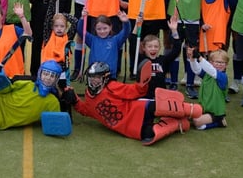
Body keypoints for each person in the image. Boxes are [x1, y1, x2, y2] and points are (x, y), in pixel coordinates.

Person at [64, 62, 202, 145]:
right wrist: (74, 99)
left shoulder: (112, 86)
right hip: (131, 128)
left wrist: (142, 83)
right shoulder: (89, 98)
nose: (93, 81)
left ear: (105, 79)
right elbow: (85, 110)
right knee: (150, 134)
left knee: (157, 106)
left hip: (138, 110)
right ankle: (179, 124)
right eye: (91, 78)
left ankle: (190, 110)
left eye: (97, 78)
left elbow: (134, 91)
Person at [165, 0, 217, 98]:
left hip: (192, 22)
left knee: (191, 53)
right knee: (174, 51)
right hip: (176, 22)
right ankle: (173, 82)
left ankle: (189, 84)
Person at [78, 11, 131, 80]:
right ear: (95, 29)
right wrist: (82, 18)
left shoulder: (115, 40)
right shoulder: (92, 40)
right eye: (99, 29)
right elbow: (80, 31)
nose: (102, 31)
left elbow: (125, 32)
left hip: (110, 76)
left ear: (110, 27)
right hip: (94, 76)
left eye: (105, 28)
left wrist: (126, 22)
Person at [136, 16, 182, 94]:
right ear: (144, 48)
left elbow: (176, 50)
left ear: (160, 47)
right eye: (150, 46)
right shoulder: (140, 59)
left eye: (156, 46)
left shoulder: (163, 60)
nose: (153, 49)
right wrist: (137, 25)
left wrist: (174, 31)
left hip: (160, 96)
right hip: (144, 96)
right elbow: (134, 42)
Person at [186, 47, 229, 130]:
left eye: (222, 63)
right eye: (217, 62)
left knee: (196, 122)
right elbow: (196, 70)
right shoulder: (207, 74)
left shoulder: (222, 77)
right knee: (188, 115)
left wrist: (199, 57)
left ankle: (219, 122)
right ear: (211, 62)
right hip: (203, 108)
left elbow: (211, 70)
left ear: (226, 65)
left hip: (215, 112)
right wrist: (192, 59)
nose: (219, 64)